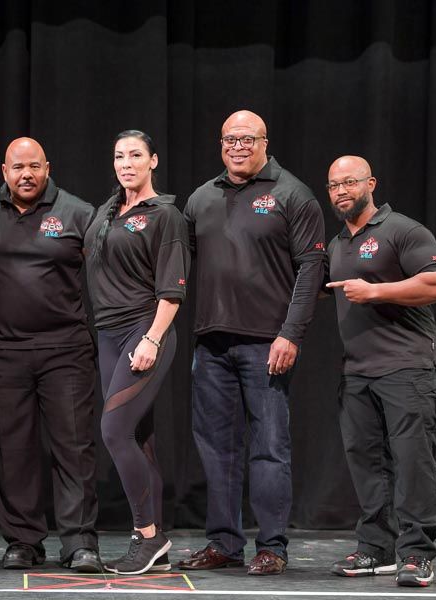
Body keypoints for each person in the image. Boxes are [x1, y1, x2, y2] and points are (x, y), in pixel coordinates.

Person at [179, 110, 326, 576]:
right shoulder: (202, 197)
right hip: (211, 344)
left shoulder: (292, 194)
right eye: (230, 139)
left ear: (265, 142)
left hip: (267, 344)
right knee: (216, 448)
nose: (238, 147)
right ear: (220, 144)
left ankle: (272, 546)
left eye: (247, 139)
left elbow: (311, 270)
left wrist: (291, 334)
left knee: (269, 446)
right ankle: (224, 543)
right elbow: (178, 263)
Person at [0, 138, 101, 572]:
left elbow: (107, 270)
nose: (27, 175)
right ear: (4, 171)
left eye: (34, 167)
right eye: (18, 167)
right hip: (2, 351)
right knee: (13, 450)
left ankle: (79, 542)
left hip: (66, 350)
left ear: (48, 168)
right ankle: (23, 540)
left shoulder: (78, 213)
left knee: (74, 447)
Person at [323, 155, 436, 587]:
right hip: (357, 371)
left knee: (413, 461)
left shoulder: (403, 230)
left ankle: (416, 553)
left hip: (407, 367)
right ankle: (376, 548)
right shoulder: (337, 244)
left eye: (349, 182)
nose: (341, 191)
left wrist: (376, 291)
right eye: (334, 185)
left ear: (370, 183)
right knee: (367, 462)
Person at [84, 130, 190, 575]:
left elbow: (172, 289)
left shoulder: (165, 214)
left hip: (143, 330)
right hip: (108, 334)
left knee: (113, 431)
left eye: (135, 155)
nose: (126, 163)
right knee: (138, 436)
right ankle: (155, 541)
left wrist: (152, 338)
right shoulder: (108, 211)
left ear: (153, 161)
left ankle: (146, 536)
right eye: (119, 156)